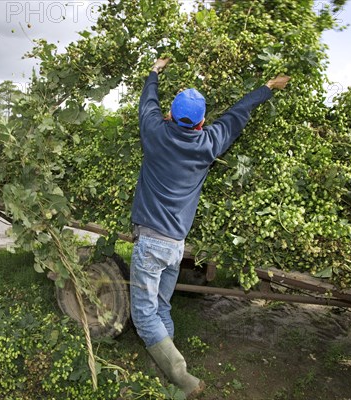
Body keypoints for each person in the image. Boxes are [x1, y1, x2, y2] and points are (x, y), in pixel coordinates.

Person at [130, 57, 290, 397]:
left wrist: (154, 72)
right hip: (175, 247)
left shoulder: (155, 132)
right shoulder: (207, 144)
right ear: (202, 122)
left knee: (143, 315)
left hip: (150, 244)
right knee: (161, 307)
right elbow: (237, 113)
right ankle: (165, 366)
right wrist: (268, 88)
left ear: (170, 114)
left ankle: (182, 377)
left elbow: (148, 102)